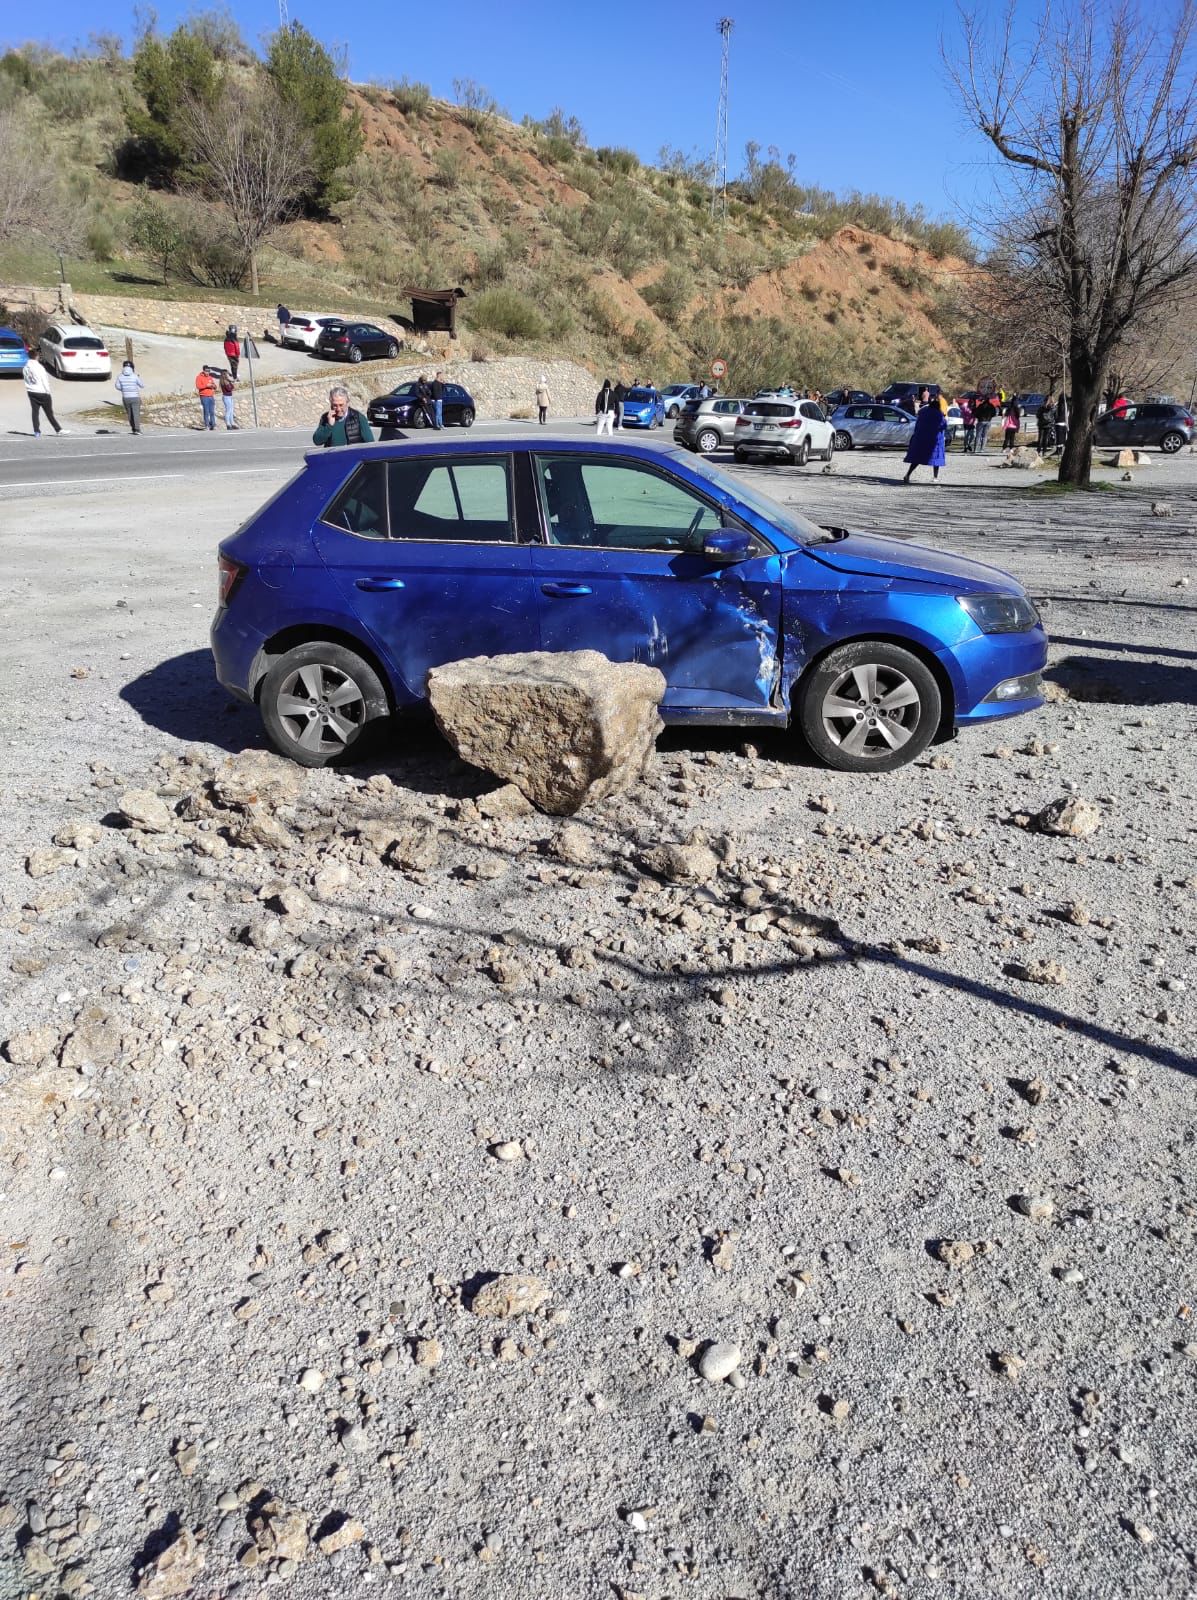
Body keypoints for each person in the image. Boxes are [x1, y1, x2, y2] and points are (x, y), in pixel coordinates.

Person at [901, 393, 947, 484]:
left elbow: (917, 425)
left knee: (917, 458)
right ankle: (935, 477)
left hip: (921, 439)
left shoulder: (923, 413)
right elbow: (943, 425)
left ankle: (908, 474)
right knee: (936, 458)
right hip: (934, 439)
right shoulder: (939, 414)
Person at [23, 351, 64, 437]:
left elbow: (26, 380)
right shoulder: (39, 367)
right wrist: (47, 391)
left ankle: (36, 431)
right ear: (36, 356)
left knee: (35, 412)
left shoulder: (25, 367)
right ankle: (58, 429)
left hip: (31, 391)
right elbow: (44, 380)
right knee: (49, 413)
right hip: (42, 392)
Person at [115, 359, 144, 435]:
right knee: (136, 413)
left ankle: (133, 428)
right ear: (132, 367)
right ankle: (137, 429)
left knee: (130, 413)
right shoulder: (134, 376)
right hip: (135, 397)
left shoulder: (120, 376)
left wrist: (124, 389)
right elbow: (142, 385)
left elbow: (117, 386)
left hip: (125, 397)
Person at [195, 366, 218, 431]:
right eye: (206, 371)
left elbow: (215, 386)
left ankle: (213, 425)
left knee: (212, 412)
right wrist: (206, 385)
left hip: (211, 396)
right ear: (203, 370)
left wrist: (214, 386)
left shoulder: (210, 377)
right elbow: (198, 386)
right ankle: (207, 425)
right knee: (206, 411)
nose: (207, 372)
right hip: (204, 396)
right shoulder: (199, 377)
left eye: (208, 371)